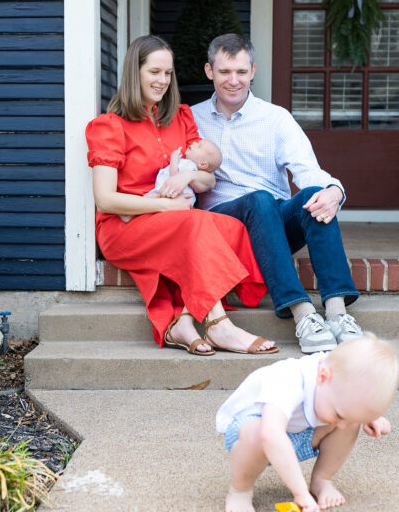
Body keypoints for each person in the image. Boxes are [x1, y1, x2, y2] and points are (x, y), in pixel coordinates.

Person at [86, 35, 278, 356]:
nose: (163, 81)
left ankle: (184, 321)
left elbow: (207, 179)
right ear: (135, 72)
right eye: (155, 72)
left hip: (171, 221)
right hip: (124, 227)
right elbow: (105, 199)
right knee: (195, 225)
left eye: (168, 73)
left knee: (228, 227)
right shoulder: (109, 126)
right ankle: (219, 326)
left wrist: (190, 175)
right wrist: (164, 206)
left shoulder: (180, 117)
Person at [192, 33, 362, 354]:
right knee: (260, 199)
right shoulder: (191, 118)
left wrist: (334, 190)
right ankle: (302, 312)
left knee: (314, 193)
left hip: (272, 225)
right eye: (225, 71)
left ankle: (338, 314)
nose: (234, 80)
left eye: (241, 72)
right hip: (223, 227)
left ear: (253, 71)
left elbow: (306, 169)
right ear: (209, 71)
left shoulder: (275, 118)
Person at [216, 335, 399, 512]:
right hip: (251, 435)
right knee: (257, 433)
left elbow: (354, 391)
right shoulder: (289, 378)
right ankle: (240, 490)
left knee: (347, 422)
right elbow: (270, 434)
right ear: (322, 377)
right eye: (340, 414)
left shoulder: (336, 376)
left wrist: (363, 417)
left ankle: (322, 480)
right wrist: (300, 494)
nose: (342, 423)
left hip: (296, 435)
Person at [119, 138, 222, 221]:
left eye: (199, 146)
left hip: (172, 194)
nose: (194, 143)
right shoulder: (191, 167)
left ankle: (128, 214)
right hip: (175, 196)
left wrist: (174, 159)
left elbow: (175, 176)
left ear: (202, 164)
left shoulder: (189, 165)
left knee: (148, 197)